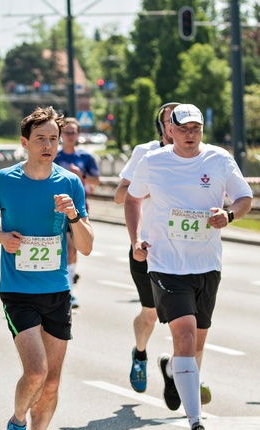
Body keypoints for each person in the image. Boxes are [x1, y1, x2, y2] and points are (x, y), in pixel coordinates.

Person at [0, 106, 93, 430]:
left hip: (57, 290)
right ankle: (17, 421)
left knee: (53, 381)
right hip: (18, 291)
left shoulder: (69, 182)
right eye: (40, 138)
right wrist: (0, 237)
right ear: (24, 143)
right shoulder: (5, 181)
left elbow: (86, 246)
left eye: (53, 138)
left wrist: (74, 217)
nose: (48, 145)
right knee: (36, 371)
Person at [125, 104, 253, 430]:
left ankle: (171, 370)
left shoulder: (219, 159)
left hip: (207, 264)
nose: (190, 133)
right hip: (166, 265)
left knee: (195, 346)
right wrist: (136, 238)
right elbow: (132, 200)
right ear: (171, 129)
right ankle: (196, 425)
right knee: (183, 337)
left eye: (196, 127)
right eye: (183, 128)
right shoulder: (153, 161)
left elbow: (245, 198)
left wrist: (229, 215)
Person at [113, 101, 178, 393]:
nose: (175, 127)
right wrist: (147, 189)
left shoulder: (199, 156)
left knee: (184, 317)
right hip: (147, 247)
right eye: (170, 121)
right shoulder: (145, 152)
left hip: (182, 250)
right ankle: (140, 353)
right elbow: (119, 196)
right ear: (162, 126)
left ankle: (177, 370)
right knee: (150, 313)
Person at [54, 117, 99, 309]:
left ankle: (70, 291)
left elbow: (96, 182)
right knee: (59, 250)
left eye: (73, 132)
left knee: (72, 248)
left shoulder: (85, 158)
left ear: (78, 135)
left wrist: (80, 176)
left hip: (78, 209)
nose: (70, 136)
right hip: (56, 209)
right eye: (67, 132)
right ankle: (61, 285)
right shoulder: (54, 157)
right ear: (62, 135)